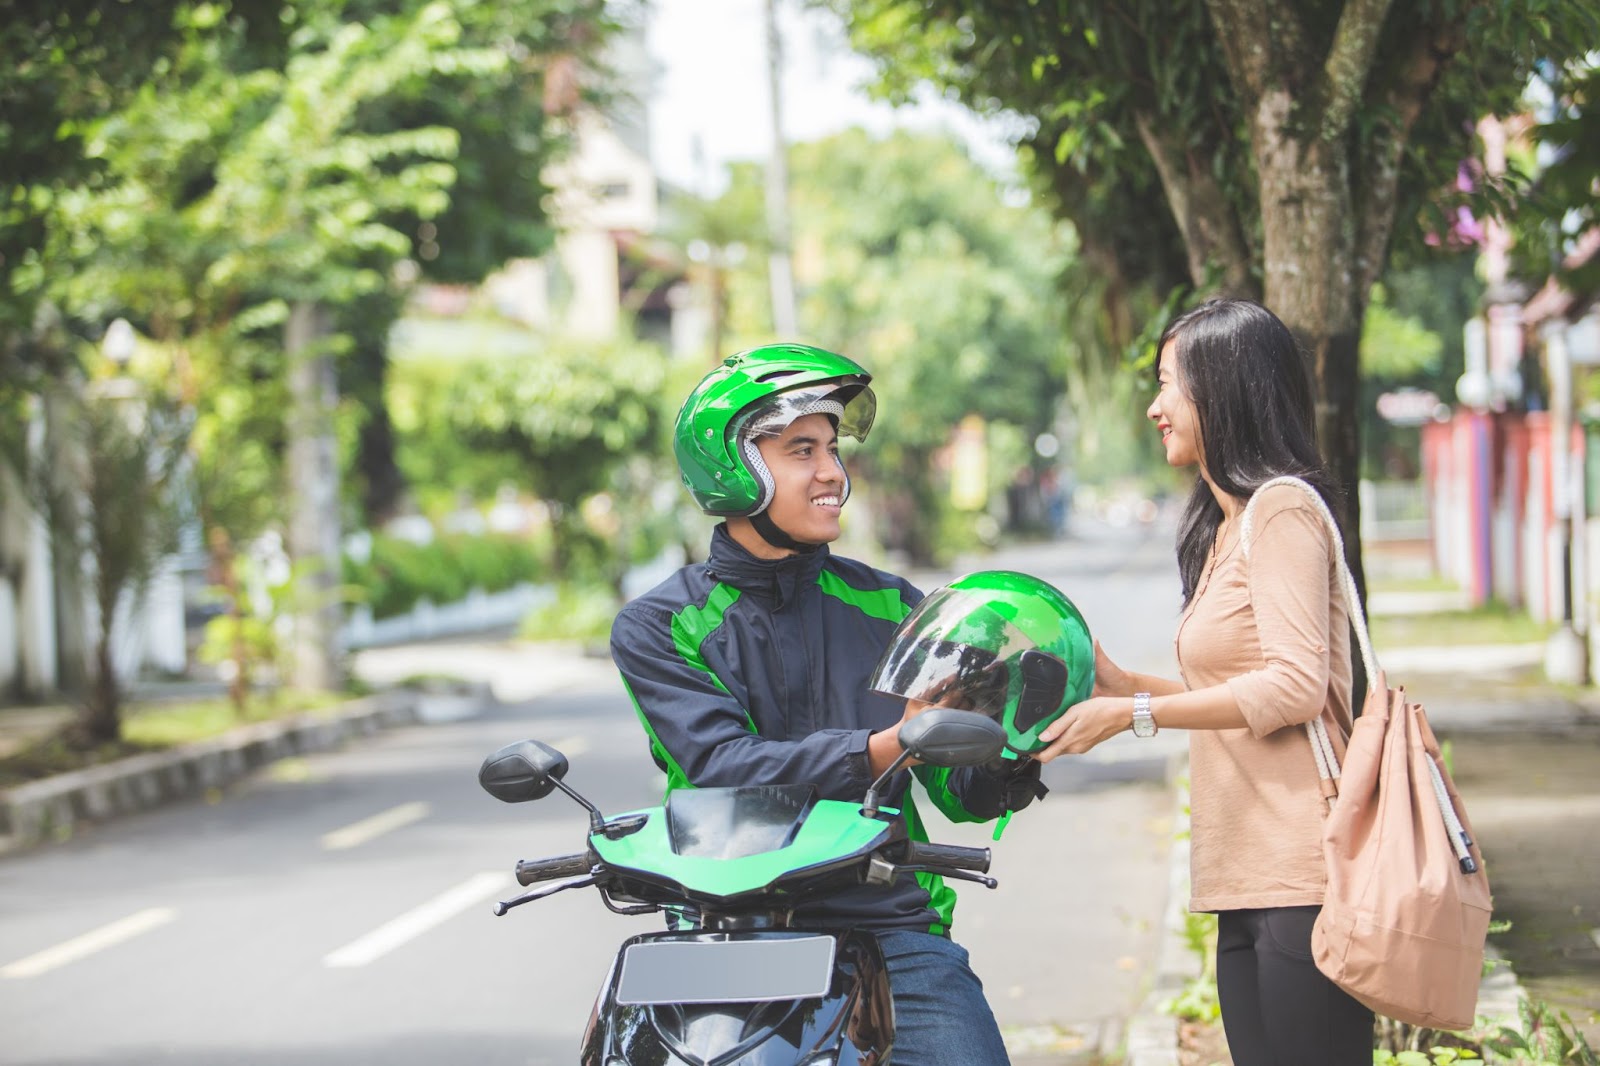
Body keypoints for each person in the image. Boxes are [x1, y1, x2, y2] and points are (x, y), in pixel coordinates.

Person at [610, 342, 1084, 1066]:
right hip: (721, 928)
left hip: (887, 924)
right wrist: (891, 744)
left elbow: (957, 792)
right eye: (803, 450)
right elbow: (722, 767)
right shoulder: (660, 625)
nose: (833, 472)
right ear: (735, 467)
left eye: (833, 449)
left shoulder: (893, 604)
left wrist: (1016, 744)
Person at [1032, 299, 1373, 1065]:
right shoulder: (1224, 527)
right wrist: (1121, 685)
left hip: (1303, 872)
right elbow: (1238, 688)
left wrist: (1135, 718)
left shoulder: (1282, 511)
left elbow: (1293, 687)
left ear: (1224, 390)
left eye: (1168, 385)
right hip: (1242, 874)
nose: (1156, 407)